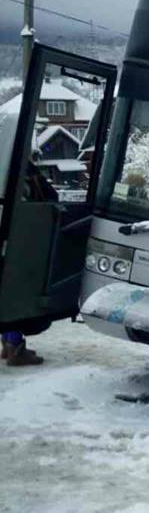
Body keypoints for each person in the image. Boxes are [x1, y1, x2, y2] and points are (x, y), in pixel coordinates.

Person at [1, 157, 56, 366]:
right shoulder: (22, 169)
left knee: (7, 291)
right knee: (16, 292)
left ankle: (9, 344)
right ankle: (15, 348)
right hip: (20, 237)